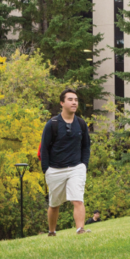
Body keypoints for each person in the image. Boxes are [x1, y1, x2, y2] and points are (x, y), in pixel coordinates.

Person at [41, 89, 93, 236]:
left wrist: (84, 165)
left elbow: (86, 146)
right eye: (70, 99)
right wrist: (46, 170)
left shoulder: (81, 124)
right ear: (62, 103)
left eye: (76, 99)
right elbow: (44, 148)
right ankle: (52, 231)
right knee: (54, 204)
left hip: (76, 168)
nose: (74, 102)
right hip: (55, 170)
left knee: (77, 199)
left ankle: (80, 229)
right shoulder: (52, 124)